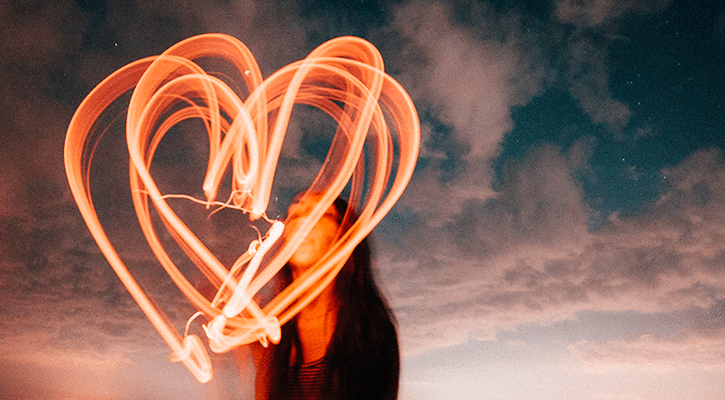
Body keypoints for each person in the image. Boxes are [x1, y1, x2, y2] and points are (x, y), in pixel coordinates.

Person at [252, 194, 400, 400]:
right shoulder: (271, 335)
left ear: (342, 238)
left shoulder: (373, 334)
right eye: (294, 215)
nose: (302, 220)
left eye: (320, 213)